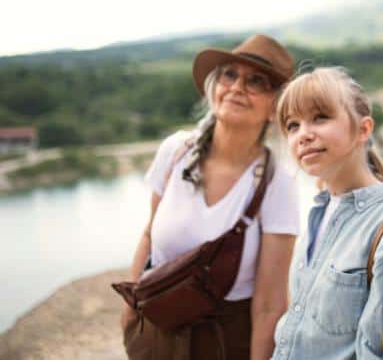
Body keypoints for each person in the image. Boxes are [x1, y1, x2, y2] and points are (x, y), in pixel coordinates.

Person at [120, 34, 301, 360]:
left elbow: (270, 303)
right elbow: (148, 234)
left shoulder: (277, 182)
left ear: (275, 106)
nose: (237, 87)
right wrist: (130, 315)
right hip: (155, 332)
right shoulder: (176, 151)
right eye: (229, 74)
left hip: (224, 342)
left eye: (255, 81)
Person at [271, 67, 383, 359]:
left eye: (320, 117)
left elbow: (376, 350)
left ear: (364, 129)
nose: (303, 135)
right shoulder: (316, 215)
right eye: (292, 125)